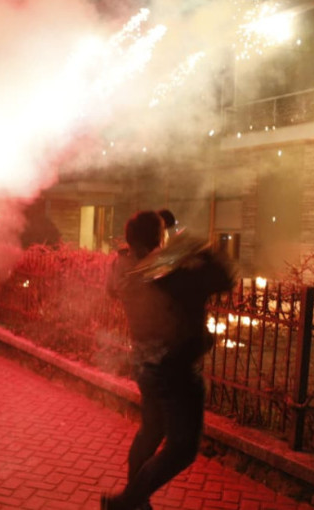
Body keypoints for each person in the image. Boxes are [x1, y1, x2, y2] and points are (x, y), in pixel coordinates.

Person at [103, 211, 236, 510]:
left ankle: (135, 501)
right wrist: (198, 248)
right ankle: (128, 502)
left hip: (144, 363)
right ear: (159, 238)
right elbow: (224, 279)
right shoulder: (169, 272)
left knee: (151, 431)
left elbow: (113, 290)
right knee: (181, 449)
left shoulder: (125, 267)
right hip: (173, 368)